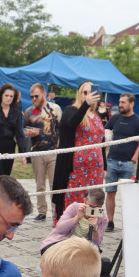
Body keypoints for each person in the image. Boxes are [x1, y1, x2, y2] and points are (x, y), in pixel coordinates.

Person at [51, 82, 105, 223]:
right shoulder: (71, 110)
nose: (87, 95)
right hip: (77, 169)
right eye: (84, 92)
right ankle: (70, 228)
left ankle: (90, 228)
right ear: (79, 94)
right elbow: (71, 123)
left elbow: (101, 142)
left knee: (93, 199)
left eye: (90, 93)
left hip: (95, 169)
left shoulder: (97, 116)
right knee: (75, 199)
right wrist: (85, 105)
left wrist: (104, 166)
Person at [104, 93, 139, 231]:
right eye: (120, 102)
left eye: (123, 102)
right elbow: (107, 129)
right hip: (112, 161)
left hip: (128, 164)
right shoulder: (115, 118)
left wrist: (133, 160)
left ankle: (129, 222)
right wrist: (108, 136)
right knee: (110, 192)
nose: (120, 105)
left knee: (129, 195)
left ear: (131, 104)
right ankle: (110, 221)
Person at [23, 83, 62, 222]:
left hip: (53, 152)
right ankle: (41, 211)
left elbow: (61, 129)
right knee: (40, 184)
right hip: (36, 152)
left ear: (44, 95)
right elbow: (25, 131)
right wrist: (30, 133)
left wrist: (59, 148)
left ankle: (56, 211)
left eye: (36, 96)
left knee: (54, 184)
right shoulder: (28, 111)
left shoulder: (55, 109)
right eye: (32, 96)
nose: (34, 98)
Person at [40, 187, 107, 254]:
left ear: (101, 207)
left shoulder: (102, 218)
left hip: (83, 248)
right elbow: (59, 229)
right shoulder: (74, 207)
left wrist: (94, 229)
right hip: (63, 243)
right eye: (90, 206)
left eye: (96, 208)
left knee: (101, 260)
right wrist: (77, 217)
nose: (92, 210)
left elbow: (96, 244)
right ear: (84, 201)